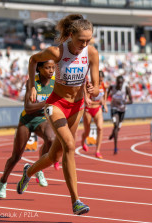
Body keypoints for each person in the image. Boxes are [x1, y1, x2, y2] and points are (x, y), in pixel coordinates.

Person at [16, 14, 99, 215]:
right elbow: (32, 60)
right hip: (56, 104)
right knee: (70, 146)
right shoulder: (56, 52)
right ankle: (76, 201)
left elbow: (96, 87)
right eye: (81, 40)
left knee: (55, 155)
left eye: (88, 40)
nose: (84, 44)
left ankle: (29, 171)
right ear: (70, 35)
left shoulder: (92, 53)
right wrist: (31, 88)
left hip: (77, 106)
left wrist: (92, 89)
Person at [0, 60, 56, 199]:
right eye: (47, 67)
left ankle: (38, 169)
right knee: (16, 156)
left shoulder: (55, 83)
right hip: (27, 120)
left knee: (51, 139)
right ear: (39, 69)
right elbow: (28, 107)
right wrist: (45, 103)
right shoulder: (32, 83)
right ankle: (3, 181)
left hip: (42, 119)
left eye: (53, 67)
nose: (51, 70)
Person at [81, 70, 108, 159]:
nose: (100, 82)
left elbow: (104, 96)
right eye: (99, 81)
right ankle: (82, 140)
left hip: (98, 110)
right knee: (87, 131)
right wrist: (99, 103)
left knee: (100, 128)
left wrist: (104, 104)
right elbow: (87, 102)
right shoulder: (90, 86)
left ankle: (97, 151)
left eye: (101, 80)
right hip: (89, 110)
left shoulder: (104, 85)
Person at [106, 75, 132, 154]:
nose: (120, 85)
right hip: (114, 109)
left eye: (121, 83)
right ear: (116, 82)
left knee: (117, 128)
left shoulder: (126, 88)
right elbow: (105, 96)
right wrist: (104, 103)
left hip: (122, 110)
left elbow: (131, 101)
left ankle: (112, 134)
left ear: (123, 82)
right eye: (118, 83)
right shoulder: (112, 87)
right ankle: (115, 147)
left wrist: (125, 102)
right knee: (116, 125)